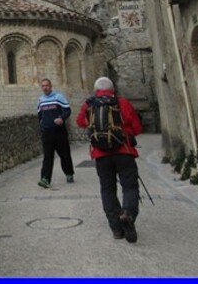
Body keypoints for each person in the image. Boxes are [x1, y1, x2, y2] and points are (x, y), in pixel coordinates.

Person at [76, 76, 143, 243]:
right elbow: (137, 127)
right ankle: (127, 213)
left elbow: (80, 122)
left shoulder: (89, 104)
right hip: (124, 152)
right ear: (113, 90)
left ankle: (116, 228)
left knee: (107, 190)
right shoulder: (122, 103)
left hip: (101, 155)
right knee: (129, 186)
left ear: (96, 90)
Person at [36, 78, 75, 188]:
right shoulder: (40, 100)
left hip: (59, 131)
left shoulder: (58, 97)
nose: (45, 88)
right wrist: (42, 126)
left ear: (51, 86)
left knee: (64, 154)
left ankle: (69, 173)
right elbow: (39, 115)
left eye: (47, 85)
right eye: (43, 86)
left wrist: (61, 118)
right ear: (41, 87)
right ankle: (45, 179)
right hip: (47, 133)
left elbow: (67, 110)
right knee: (48, 156)